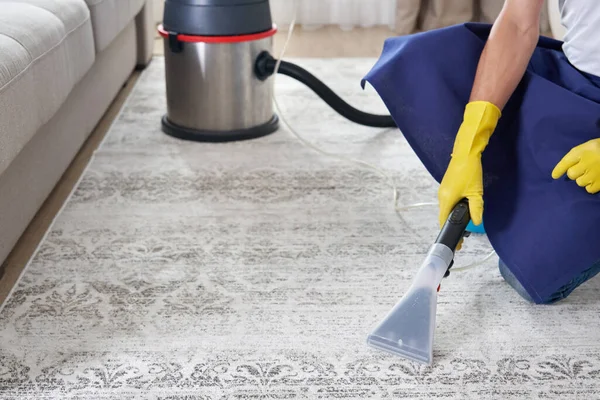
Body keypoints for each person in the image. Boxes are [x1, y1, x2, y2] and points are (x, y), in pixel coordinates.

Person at [363, 0, 600, 304]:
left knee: (528, 271)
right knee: (419, 62)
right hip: (575, 84)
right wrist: (469, 146)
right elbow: (517, 22)